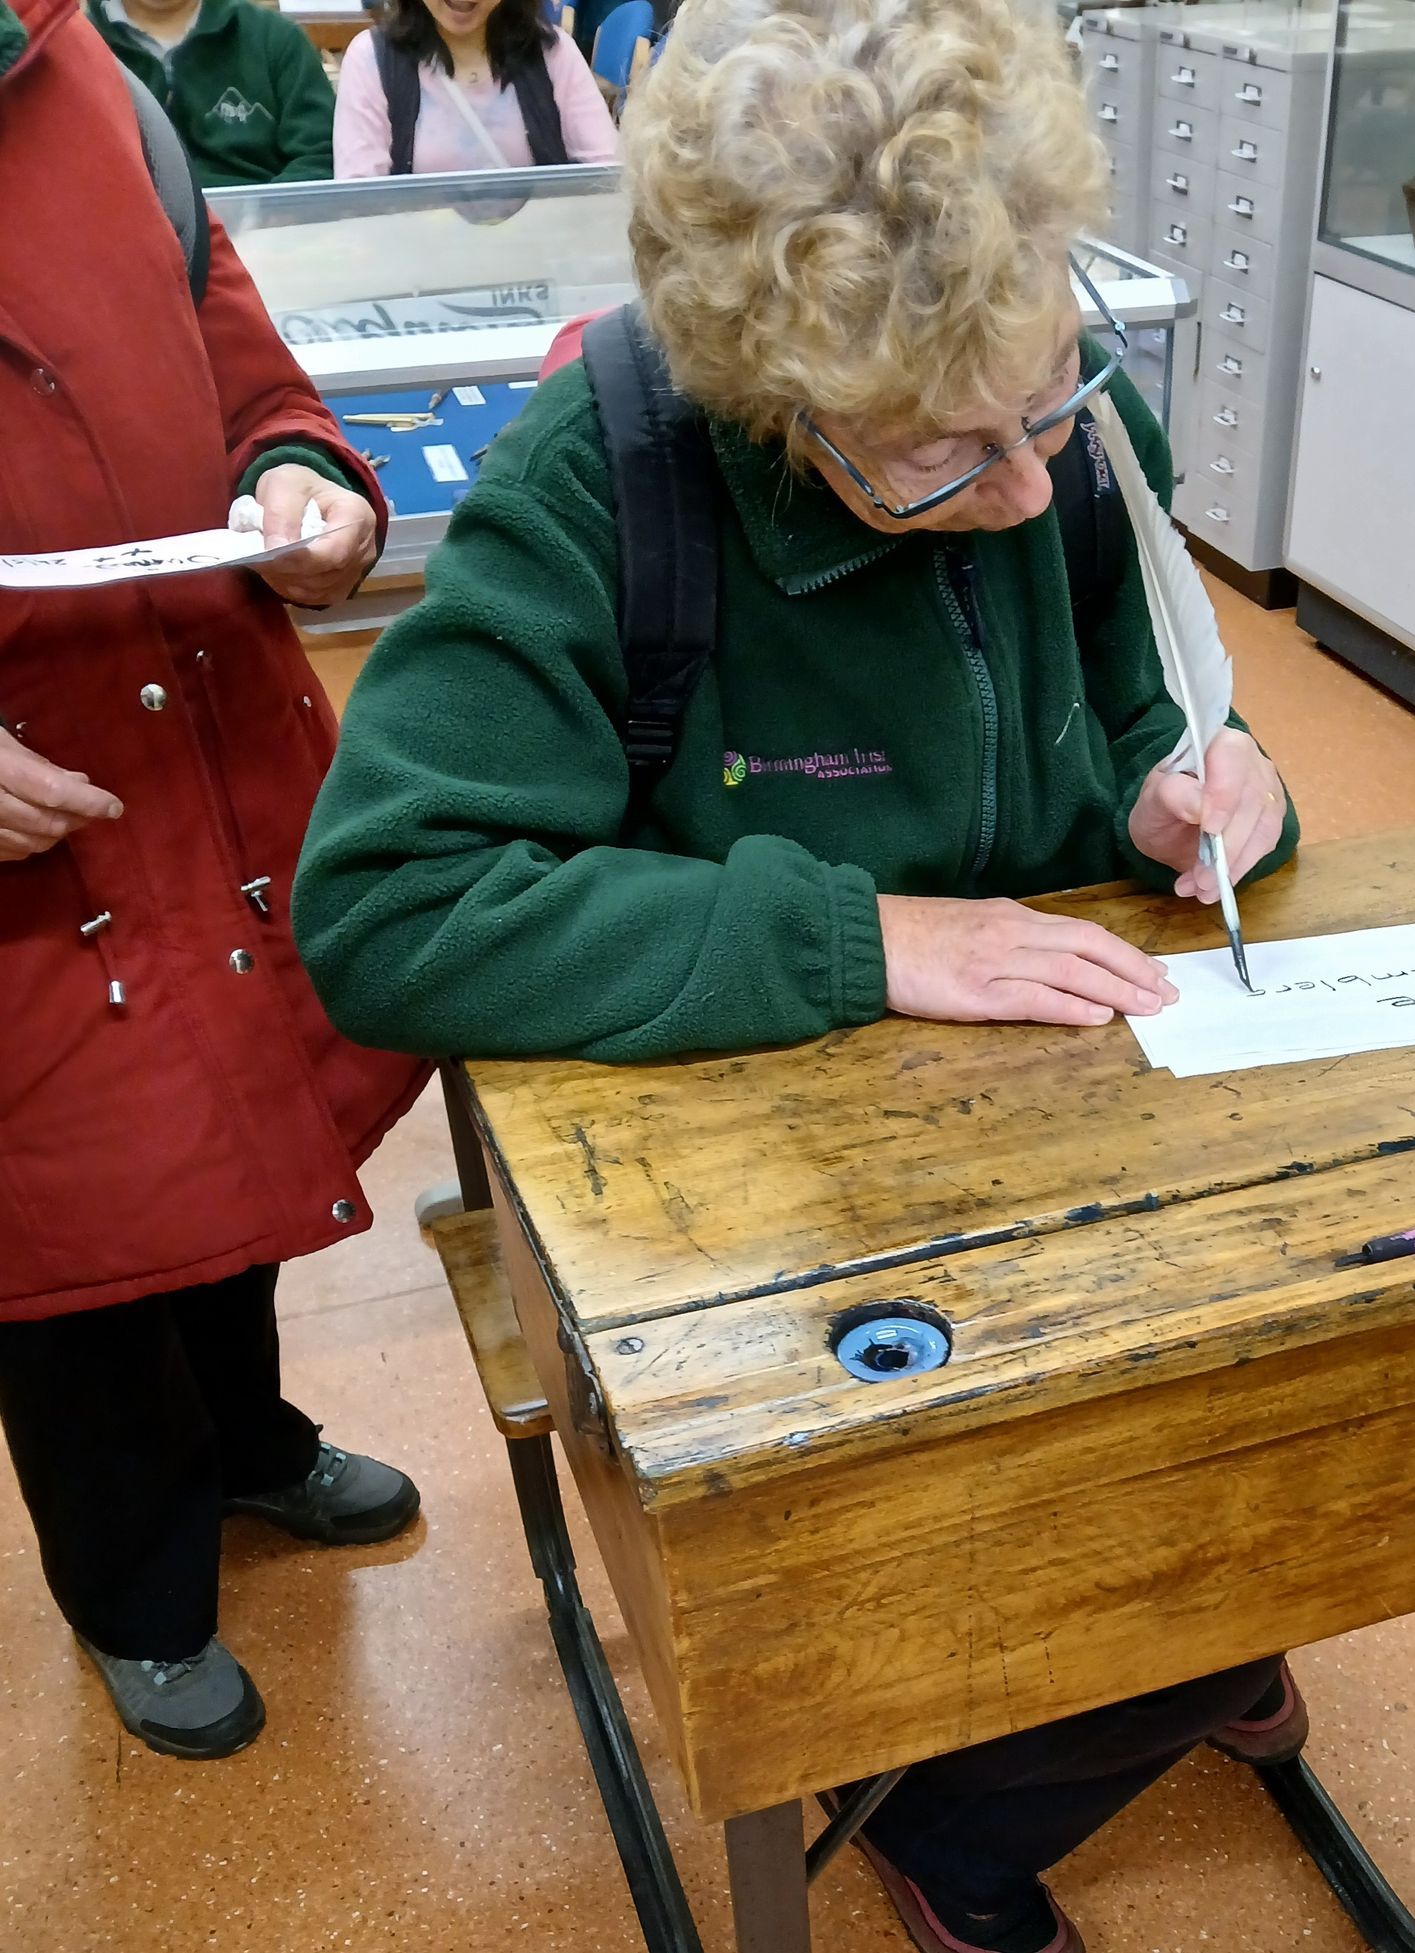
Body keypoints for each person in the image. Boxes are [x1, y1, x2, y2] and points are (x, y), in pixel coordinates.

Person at [294, 0, 1302, 1945]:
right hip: (750, 1187)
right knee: (1116, 1505)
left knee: (1311, 1398)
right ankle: (976, 1815)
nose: (1022, 486)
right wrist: (857, 938)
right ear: (777, 401)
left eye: (1046, 403)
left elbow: (1149, 709)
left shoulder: (1045, 420)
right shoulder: (608, 488)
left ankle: (1165, 1649)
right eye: (938, 457)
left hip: (1068, 1106)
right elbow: (389, 905)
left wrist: (1210, 793)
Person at [0, 0, 427, 1764]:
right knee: (75, 1242)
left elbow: (231, 341)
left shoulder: (89, 63)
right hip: (36, 841)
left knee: (238, 1140)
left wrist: (299, 470)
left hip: (210, 756)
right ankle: (134, 1585)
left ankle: (245, 1447)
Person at [332, 0, 618, 177]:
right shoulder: (371, 58)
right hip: (416, 264)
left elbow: (610, 174)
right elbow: (359, 199)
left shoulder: (553, 53)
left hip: (537, 262)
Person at [85, 0, 337, 186]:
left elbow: (318, 156)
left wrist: (266, 219)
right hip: (125, 236)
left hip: (262, 236)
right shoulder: (71, 45)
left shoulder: (275, 37)